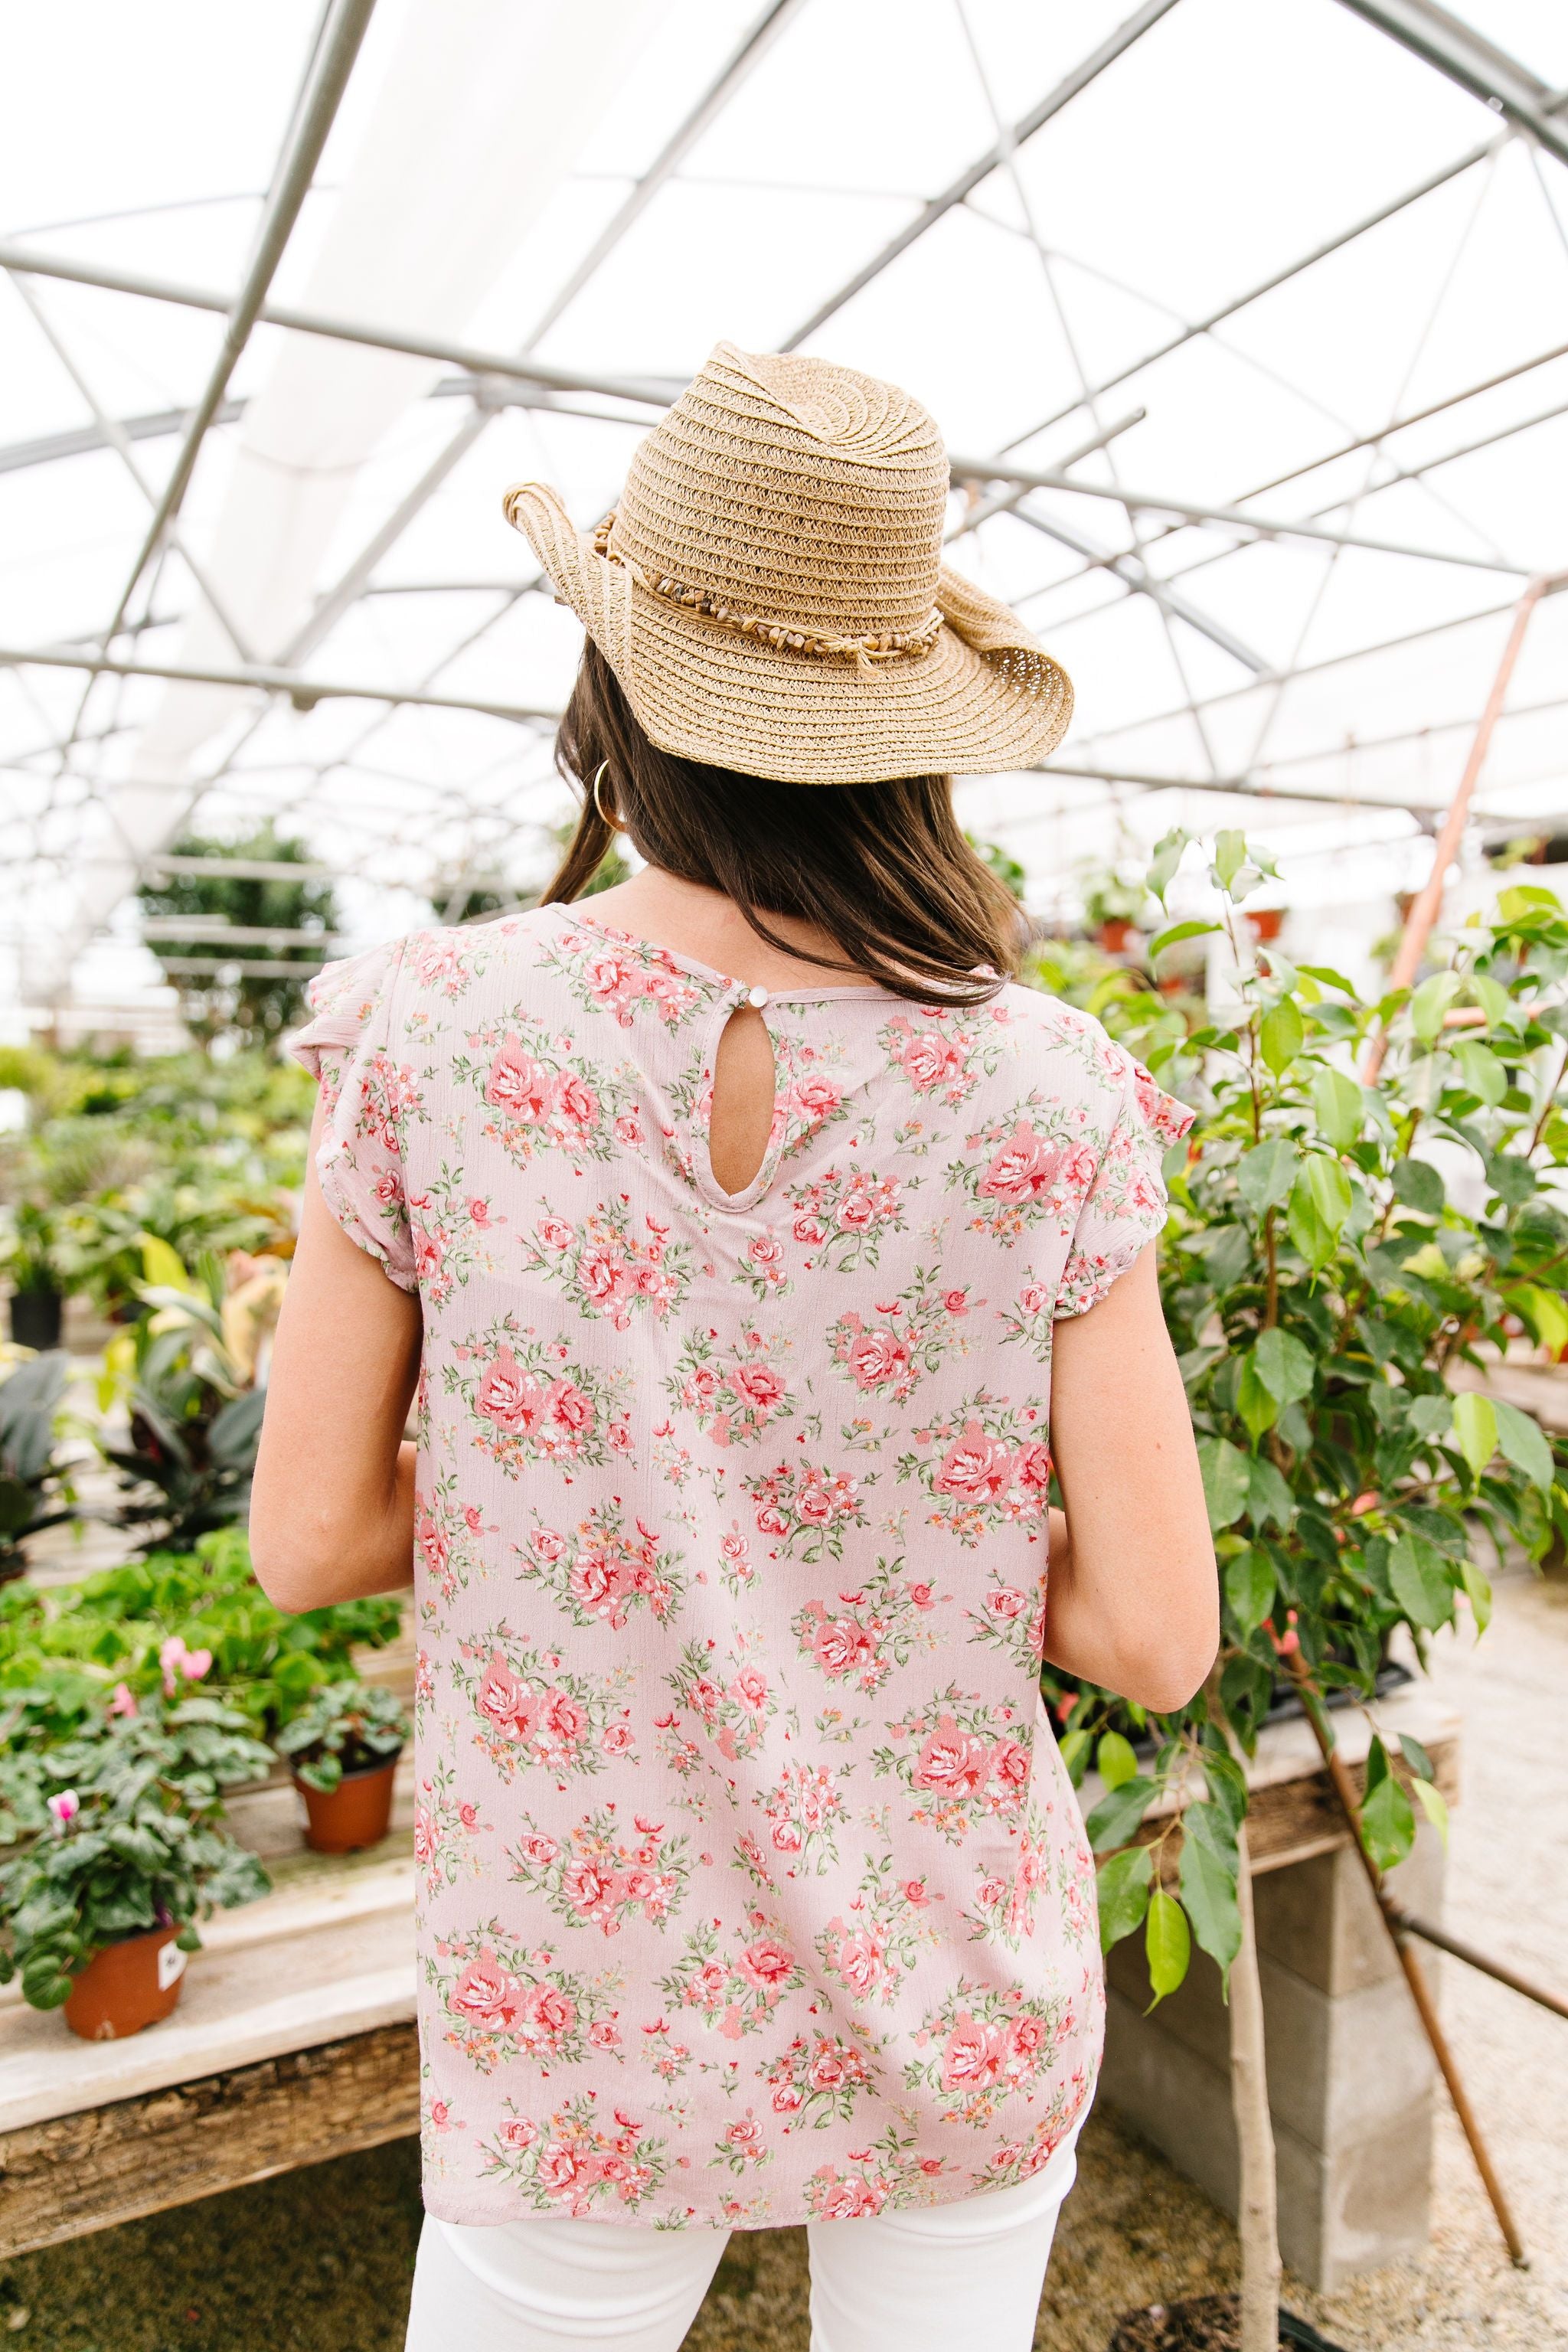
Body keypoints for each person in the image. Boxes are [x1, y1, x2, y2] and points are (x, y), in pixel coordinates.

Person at [252, 343, 1217, 2352]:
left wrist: (614, 1492)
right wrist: (879, 1526)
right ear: (909, 725)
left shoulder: (432, 1032)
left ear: (616, 686)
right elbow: (1153, 1636)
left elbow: (310, 1539)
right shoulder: (1054, 1088)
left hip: (578, 2001)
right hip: (953, 1982)